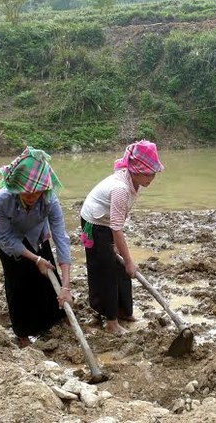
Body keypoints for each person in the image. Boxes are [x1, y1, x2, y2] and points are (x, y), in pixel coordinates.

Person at [0, 146, 73, 348]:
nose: (32, 196)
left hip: (37, 235)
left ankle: (55, 320)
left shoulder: (49, 199)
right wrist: (35, 259)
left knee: (46, 280)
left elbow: (61, 237)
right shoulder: (2, 200)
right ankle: (22, 334)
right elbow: (2, 236)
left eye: (37, 192)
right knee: (18, 285)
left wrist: (66, 286)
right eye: (26, 192)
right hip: (11, 241)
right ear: (16, 186)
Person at [80, 140, 164, 335]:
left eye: (154, 173)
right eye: (148, 173)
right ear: (135, 170)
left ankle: (124, 311)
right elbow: (117, 229)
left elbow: (119, 220)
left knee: (121, 270)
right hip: (94, 224)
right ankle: (110, 322)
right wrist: (129, 261)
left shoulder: (135, 182)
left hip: (108, 221)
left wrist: (122, 256)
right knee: (105, 269)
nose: (152, 177)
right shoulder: (120, 189)